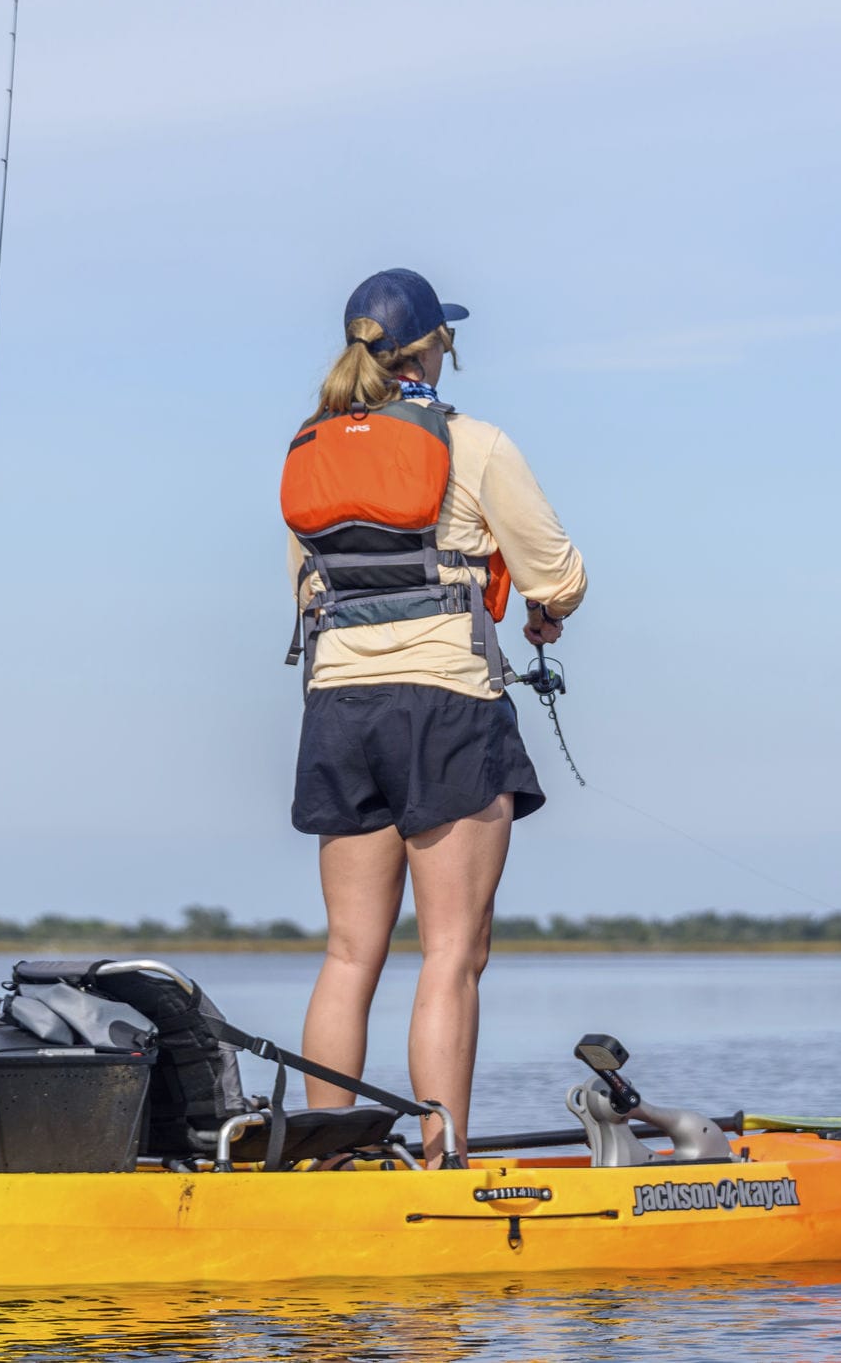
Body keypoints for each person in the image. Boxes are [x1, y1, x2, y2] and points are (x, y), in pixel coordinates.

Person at [279, 268, 586, 1163]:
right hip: (445, 706)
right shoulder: (474, 443)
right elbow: (556, 575)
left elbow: (305, 586)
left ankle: (329, 1156)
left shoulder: (308, 447)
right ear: (432, 347)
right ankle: (441, 1156)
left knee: (348, 954)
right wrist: (546, 608)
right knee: (451, 954)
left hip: (337, 707)